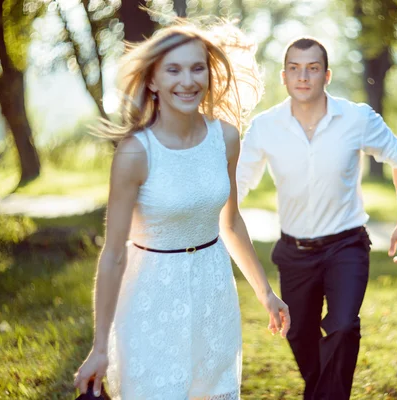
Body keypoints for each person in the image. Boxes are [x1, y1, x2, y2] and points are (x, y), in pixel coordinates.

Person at [73, 20, 290, 399]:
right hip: (150, 298)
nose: (187, 80)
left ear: (209, 73)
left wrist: (265, 292)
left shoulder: (225, 137)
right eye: (173, 69)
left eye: (196, 67)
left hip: (213, 294)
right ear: (153, 80)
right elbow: (112, 256)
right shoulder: (135, 153)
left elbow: (231, 222)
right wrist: (99, 347)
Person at [236, 37, 397, 399]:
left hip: (345, 246)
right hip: (293, 252)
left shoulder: (357, 118)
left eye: (313, 68)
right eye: (295, 69)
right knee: (299, 334)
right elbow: (234, 190)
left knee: (343, 327)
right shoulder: (265, 127)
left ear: (326, 75)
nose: (303, 77)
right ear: (284, 77)